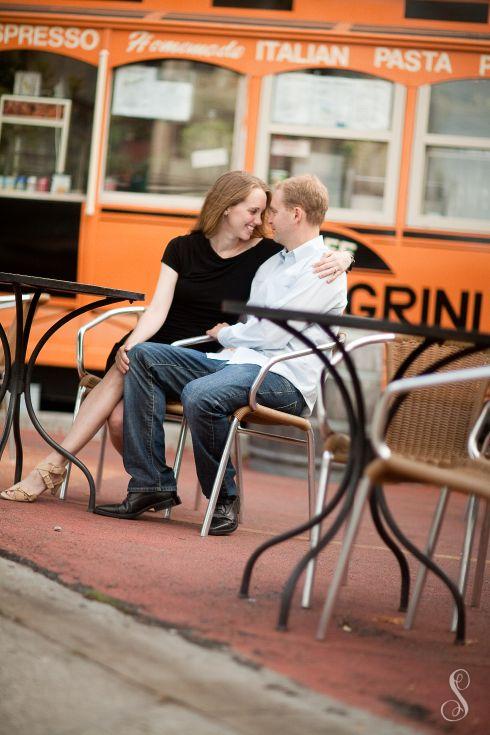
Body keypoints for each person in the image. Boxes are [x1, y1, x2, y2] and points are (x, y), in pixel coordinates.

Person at [1, 171, 351, 504]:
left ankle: (60, 468)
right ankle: (93, 471)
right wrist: (132, 341)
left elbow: (310, 249)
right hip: (163, 342)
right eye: (254, 211)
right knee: (129, 370)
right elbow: (156, 309)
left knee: (126, 411)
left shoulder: (265, 253)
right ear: (226, 206)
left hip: (208, 351)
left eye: (266, 212)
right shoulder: (183, 247)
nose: (261, 220)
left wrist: (346, 257)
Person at [94, 174, 347, 535]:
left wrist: (227, 332)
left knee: (201, 394)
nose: (265, 220)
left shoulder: (325, 269)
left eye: (272, 211)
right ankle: (151, 485)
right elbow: (256, 329)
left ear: (295, 214)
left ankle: (223, 498)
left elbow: (274, 333)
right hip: (236, 362)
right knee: (146, 356)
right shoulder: (272, 263)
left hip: (283, 378)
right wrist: (233, 340)